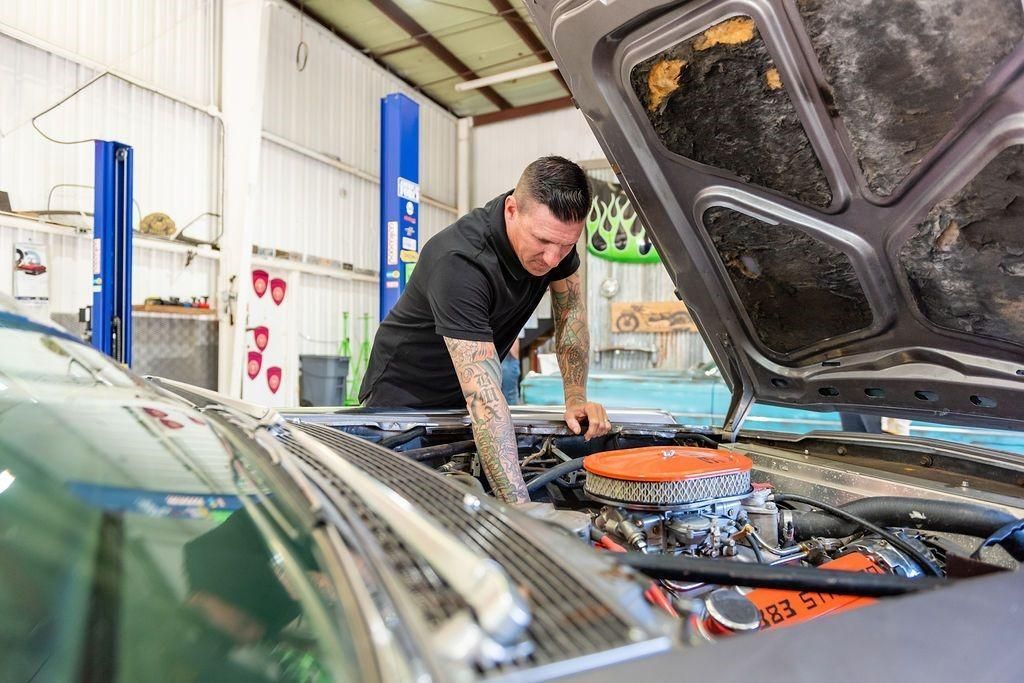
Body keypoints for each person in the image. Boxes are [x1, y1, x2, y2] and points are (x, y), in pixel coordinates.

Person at [359, 156, 611, 503]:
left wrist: (576, 399)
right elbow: (486, 403)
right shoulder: (460, 262)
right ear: (512, 210)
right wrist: (520, 511)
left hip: (462, 406)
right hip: (403, 406)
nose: (553, 259)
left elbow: (571, 314)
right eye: (542, 241)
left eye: (566, 245)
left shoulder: (554, 240)